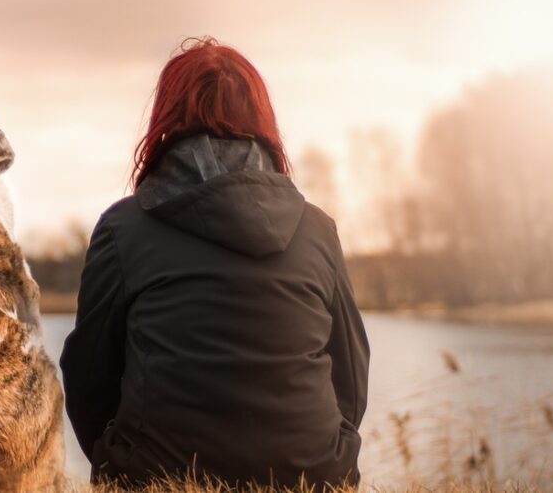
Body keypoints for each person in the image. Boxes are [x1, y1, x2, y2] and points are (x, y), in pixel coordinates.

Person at [59, 37, 370, 489]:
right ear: (262, 120)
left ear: (167, 118)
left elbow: (88, 377)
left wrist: (118, 462)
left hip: (158, 479)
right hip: (311, 478)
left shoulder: (123, 229)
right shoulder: (317, 230)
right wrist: (326, 453)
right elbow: (352, 376)